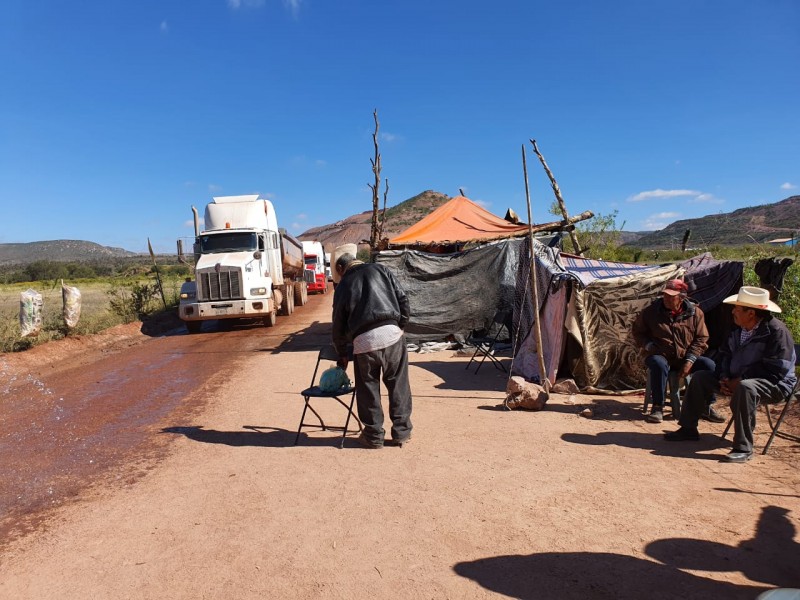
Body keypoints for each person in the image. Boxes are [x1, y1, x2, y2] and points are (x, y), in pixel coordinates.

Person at [664, 286, 796, 463]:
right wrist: (724, 376)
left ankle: (743, 447)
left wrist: (740, 379)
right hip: (736, 379)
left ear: (751, 313)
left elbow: (776, 369)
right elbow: (724, 355)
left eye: (738, 308)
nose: (733, 311)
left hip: (775, 384)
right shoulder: (736, 329)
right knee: (701, 377)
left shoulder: (776, 332)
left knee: (746, 388)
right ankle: (688, 428)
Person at [331, 253, 413, 449]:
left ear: (341, 269)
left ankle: (374, 436)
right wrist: (400, 325)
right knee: (398, 385)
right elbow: (403, 299)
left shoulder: (342, 286)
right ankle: (401, 433)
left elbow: (338, 324)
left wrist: (341, 354)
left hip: (364, 342)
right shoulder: (381, 269)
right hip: (392, 335)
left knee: (368, 390)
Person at [632, 278, 720, 423]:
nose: (666, 298)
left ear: (682, 297)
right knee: (658, 363)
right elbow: (637, 332)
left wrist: (690, 360)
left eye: (671, 296)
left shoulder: (695, 313)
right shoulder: (651, 312)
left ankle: (706, 406)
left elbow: (701, 338)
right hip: (660, 354)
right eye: (665, 295)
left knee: (709, 365)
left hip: (686, 356)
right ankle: (657, 407)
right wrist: (649, 346)